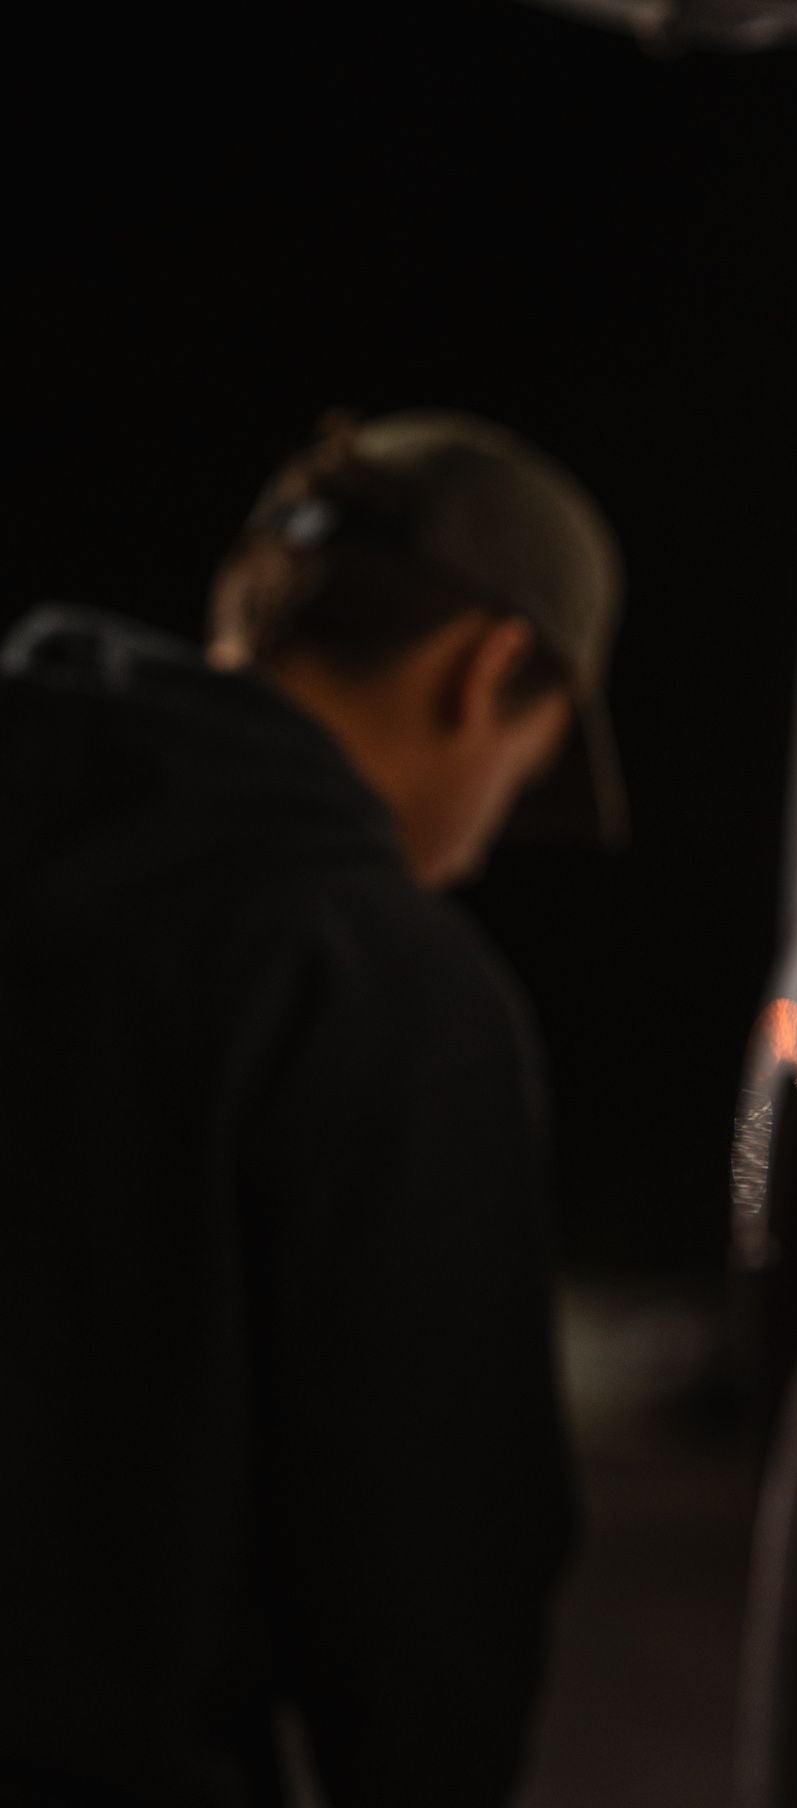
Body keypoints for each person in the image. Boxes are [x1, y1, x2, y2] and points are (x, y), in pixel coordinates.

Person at [0, 411, 624, 1806]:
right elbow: (426, 1555)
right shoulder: (369, 975)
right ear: (487, 672)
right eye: (525, 778)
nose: (472, 850)